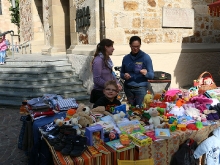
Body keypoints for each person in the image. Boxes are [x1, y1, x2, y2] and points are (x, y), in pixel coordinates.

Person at [120, 36, 154, 107]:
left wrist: (146, 73)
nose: (135, 48)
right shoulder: (126, 58)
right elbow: (121, 73)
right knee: (132, 110)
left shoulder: (146, 57)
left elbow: (151, 75)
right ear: (130, 45)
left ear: (140, 45)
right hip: (128, 88)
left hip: (141, 88)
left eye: (137, 46)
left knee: (140, 110)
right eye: (133, 46)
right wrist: (124, 75)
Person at [90, 39, 121, 103]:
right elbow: (97, 79)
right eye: (111, 46)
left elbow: (110, 75)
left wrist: (117, 83)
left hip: (108, 93)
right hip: (100, 93)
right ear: (106, 47)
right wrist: (109, 86)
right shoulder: (98, 60)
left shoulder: (107, 59)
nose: (113, 49)